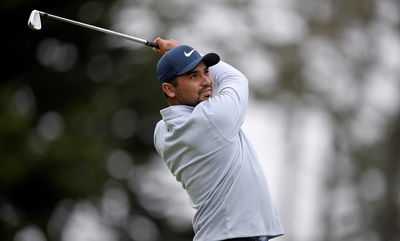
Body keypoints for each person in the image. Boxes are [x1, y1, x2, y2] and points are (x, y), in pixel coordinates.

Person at [152, 37, 284, 241]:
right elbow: (236, 79)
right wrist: (177, 49)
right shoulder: (212, 118)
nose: (207, 80)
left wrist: (182, 57)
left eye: (206, 71)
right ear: (169, 89)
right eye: (194, 75)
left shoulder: (162, 131)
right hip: (234, 236)